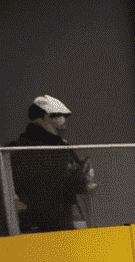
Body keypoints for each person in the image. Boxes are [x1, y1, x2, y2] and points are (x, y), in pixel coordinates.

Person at [7, 95, 94, 232]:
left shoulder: (62, 147)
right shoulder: (17, 149)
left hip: (55, 222)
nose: (65, 120)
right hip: (43, 225)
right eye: (60, 115)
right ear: (45, 116)